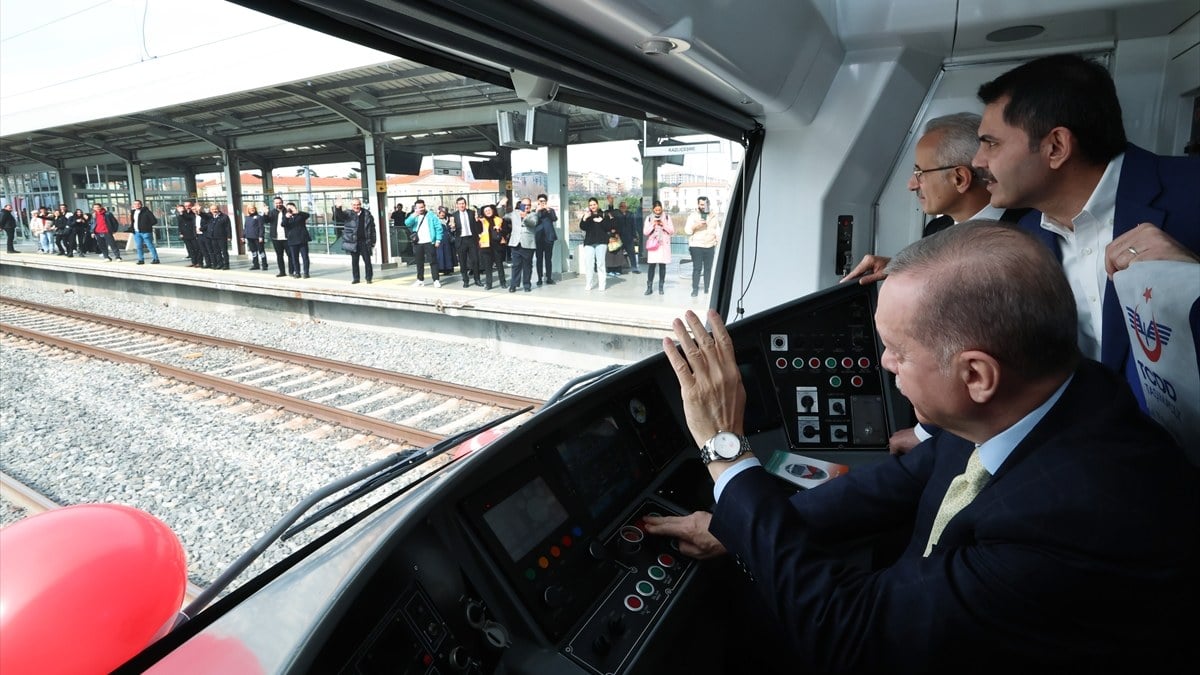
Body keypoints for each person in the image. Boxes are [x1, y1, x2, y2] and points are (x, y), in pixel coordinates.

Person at [645, 222, 1199, 672]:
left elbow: (852, 639)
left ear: (977, 374)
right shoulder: (1056, 395)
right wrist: (734, 523)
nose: (884, 365)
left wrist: (728, 455)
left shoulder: (1077, 518)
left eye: (897, 351)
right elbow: (903, 480)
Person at [972, 53, 1200, 409]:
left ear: (1056, 147)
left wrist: (1192, 278)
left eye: (991, 143)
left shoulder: (1192, 192)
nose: (977, 161)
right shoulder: (1027, 235)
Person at [683, 196, 721, 297]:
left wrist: (718, 238)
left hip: (710, 245)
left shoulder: (714, 215)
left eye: (705, 204)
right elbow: (687, 231)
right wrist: (696, 225)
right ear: (698, 204)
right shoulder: (692, 216)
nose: (703, 207)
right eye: (701, 204)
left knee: (708, 269)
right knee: (697, 268)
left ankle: (707, 288)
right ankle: (695, 289)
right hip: (696, 245)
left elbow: (717, 230)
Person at [336, 197, 377, 284]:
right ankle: (356, 278)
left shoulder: (367, 214)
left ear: (360, 205)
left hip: (365, 241)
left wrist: (373, 241)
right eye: (354, 205)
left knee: (367, 261)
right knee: (355, 261)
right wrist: (338, 208)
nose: (356, 206)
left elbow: (372, 229)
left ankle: (368, 278)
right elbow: (340, 216)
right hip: (353, 241)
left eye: (358, 204)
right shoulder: (348, 214)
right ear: (352, 205)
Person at [404, 199, 443, 288]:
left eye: (422, 207)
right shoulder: (414, 216)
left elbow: (438, 227)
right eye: (418, 207)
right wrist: (414, 214)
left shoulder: (431, 215)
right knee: (419, 262)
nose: (421, 209)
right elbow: (407, 223)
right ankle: (420, 280)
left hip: (430, 242)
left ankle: (436, 280)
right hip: (418, 242)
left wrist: (438, 240)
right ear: (415, 208)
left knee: (433, 261)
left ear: (424, 206)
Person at [642, 200, 674, 295]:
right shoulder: (648, 218)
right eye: (656, 210)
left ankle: (661, 287)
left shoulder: (667, 217)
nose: (658, 212)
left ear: (662, 209)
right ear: (653, 209)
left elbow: (672, 231)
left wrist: (663, 225)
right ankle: (649, 287)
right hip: (654, 245)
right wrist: (653, 225)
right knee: (651, 266)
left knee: (662, 266)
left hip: (663, 245)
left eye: (659, 210)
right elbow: (645, 232)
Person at [506, 197, 537, 293]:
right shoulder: (514, 214)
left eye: (528, 205)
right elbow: (503, 216)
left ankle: (527, 284)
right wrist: (501, 205)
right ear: (520, 205)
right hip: (516, 243)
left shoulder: (533, 214)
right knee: (516, 265)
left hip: (528, 243)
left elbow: (533, 223)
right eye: (524, 205)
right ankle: (513, 285)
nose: (526, 207)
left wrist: (525, 216)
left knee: (527, 266)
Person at [579, 197, 609, 291]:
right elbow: (582, 227)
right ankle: (589, 283)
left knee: (600, 264)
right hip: (589, 243)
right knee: (589, 264)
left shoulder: (603, 214)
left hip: (601, 242)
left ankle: (602, 284)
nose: (592, 206)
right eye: (591, 205)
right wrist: (585, 218)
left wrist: (602, 221)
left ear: (597, 204)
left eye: (594, 204)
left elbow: (608, 227)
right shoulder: (587, 215)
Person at [450, 197, 481, 287]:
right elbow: (452, 229)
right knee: (463, 262)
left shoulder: (471, 213)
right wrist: (452, 227)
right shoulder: (454, 215)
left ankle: (477, 279)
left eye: (463, 203)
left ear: (465, 204)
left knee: (475, 260)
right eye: (460, 204)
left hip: (472, 239)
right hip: (461, 240)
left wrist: (477, 220)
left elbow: (477, 226)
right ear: (457, 205)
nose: (462, 205)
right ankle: (465, 280)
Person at [477, 203, 507, 290]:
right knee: (487, 266)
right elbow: (478, 231)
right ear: (483, 212)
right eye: (486, 211)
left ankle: (503, 282)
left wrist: (500, 229)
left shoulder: (499, 220)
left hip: (497, 246)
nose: (488, 212)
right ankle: (489, 284)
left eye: (489, 210)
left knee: (499, 265)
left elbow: (506, 231)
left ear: (493, 211)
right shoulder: (481, 221)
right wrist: (478, 221)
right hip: (486, 246)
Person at [533, 193, 558, 285]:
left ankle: (549, 277)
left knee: (548, 258)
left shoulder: (550, 210)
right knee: (539, 258)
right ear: (538, 201)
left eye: (544, 201)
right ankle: (539, 278)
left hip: (549, 237)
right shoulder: (535, 211)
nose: (542, 203)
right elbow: (532, 221)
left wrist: (548, 210)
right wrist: (537, 211)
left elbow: (554, 219)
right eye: (540, 201)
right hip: (538, 237)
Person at [265, 196, 292, 277]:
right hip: (276, 237)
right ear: (274, 204)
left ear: (282, 202)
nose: (278, 204)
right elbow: (266, 221)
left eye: (280, 203)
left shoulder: (287, 211)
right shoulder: (272, 212)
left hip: (287, 237)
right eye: (276, 203)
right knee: (279, 255)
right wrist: (265, 214)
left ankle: (291, 271)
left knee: (290, 255)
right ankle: (282, 272)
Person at [282, 202, 311, 278]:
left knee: (305, 256)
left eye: (291, 207)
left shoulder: (300, 215)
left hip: (302, 239)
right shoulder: (286, 216)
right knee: (294, 257)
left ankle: (306, 272)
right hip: (292, 239)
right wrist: (286, 217)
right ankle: (297, 272)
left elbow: (307, 215)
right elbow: (283, 224)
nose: (290, 209)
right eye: (288, 207)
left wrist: (297, 212)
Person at [129, 200, 160, 265]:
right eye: (135, 204)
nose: (136, 205)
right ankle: (141, 260)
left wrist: (146, 226)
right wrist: (132, 229)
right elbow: (133, 222)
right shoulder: (133, 212)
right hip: (136, 232)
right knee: (139, 246)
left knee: (150, 245)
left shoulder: (147, 212)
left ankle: (156, 259)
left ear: (141, 204)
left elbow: (154, 221)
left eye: (138, 204)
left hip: (146, 232)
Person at [206, 204, 231, 270]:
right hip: (213, 237)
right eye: (212, 209)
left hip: (222, 237)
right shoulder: (210, 217)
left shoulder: (224, 217)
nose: (214, 210)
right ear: (210, 210)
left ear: (218, 209)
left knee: (224, 251)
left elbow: (228, 227)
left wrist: (229, 236)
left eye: (215, 209)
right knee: (217, 252)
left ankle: (226, 264)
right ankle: (220, 264)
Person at [242, 204, 267, 271]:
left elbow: (261, 227)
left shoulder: (259, 217)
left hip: (257, 237)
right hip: (250, 237)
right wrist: (243, 236)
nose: (252, 210)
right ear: (248, 210)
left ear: (255, 209)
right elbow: (245, 228)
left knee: (261, 251)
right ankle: (256, 264)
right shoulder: (247, 217)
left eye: (253, 208)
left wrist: (261, 236)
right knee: (253, 252)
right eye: (250, 209)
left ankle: (264, 265)